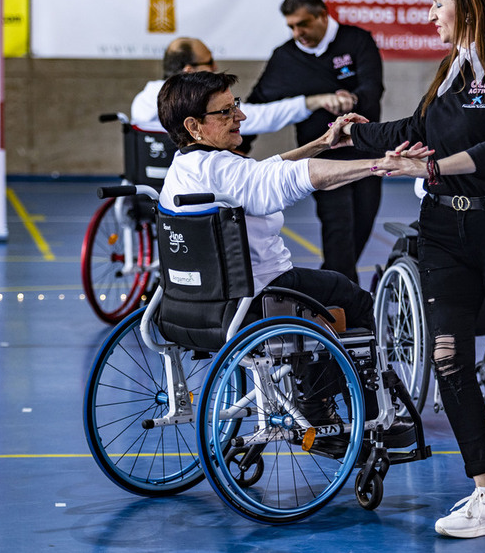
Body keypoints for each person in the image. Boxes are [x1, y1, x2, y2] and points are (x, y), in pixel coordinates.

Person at [340, 0, 485, 538]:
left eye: (438, 4)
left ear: (471, 6)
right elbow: (419, 127)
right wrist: (356, 131)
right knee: (448, 354)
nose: (430, 14)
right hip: (442, 232)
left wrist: (432, 165)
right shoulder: (450, 70)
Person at [157, 70, 410, 452]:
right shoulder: (224, 169)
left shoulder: (184, 168)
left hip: (191, 307)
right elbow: (294, 179)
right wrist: (379, 164)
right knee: (349, 298)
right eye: (225, 112)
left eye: (236, 106)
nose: (239, 117)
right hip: (258, 301)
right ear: (194, 125)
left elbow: (263, 172)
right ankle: (341, 412)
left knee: (321, 290)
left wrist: (322, 143)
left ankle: (321, 399)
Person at [248, 0, 384, 284]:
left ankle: (333, 289)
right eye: (291, 27)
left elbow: (373, 89)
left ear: (322, 15)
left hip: (366, 156)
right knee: (338, 234)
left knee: (361, 228)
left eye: (303, 24)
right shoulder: (285, 58)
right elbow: (257, 104)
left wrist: (353, 100)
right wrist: (235, 147)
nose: (298, 33)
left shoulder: (357, 41)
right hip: (321, 162)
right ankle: (344, 311)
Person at [130, 37, 356, 157]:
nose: (215, 66)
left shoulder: (141, 104)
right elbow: (261, 117)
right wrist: (314, 102)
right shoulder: (194, 111)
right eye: (209, 62)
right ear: (189, 71)